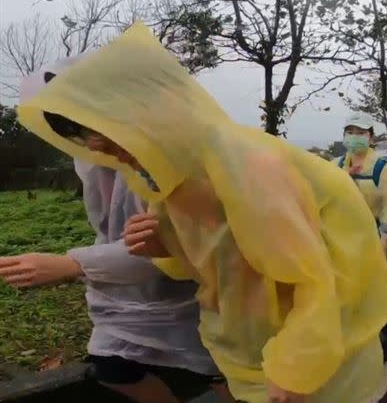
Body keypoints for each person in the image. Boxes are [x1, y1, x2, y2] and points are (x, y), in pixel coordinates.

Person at [15, 22, 387, 403]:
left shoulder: (247, 165)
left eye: (115, 141)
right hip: (250, 354)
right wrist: (167, 247)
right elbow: (214, 263)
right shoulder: (172, 175)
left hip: (317, 364)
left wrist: (296, 368)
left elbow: (313, 278)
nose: (112, 156)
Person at [0, 60, 231, 403]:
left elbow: (186, 243)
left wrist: (73, 264)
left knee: (225, 369)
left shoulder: (173, 154)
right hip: (128, 295)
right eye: (72, 128)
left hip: (201, 292)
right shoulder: (91, 157)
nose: (90, 143)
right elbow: (113, 228)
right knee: (114, 367)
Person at [333, 115, 387, 340]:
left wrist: (384, 242)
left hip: (374, 237)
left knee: (376, 284)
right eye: (350, 132)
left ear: (370, 137)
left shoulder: (385, 170)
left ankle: (382, 326)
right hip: (341, 237)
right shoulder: (334, 166)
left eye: (361, 133)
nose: (354, 137)